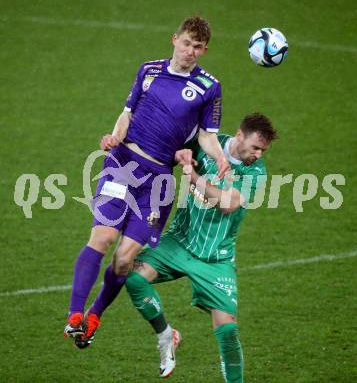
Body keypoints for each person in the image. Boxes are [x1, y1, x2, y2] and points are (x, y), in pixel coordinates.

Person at [75, 113, 277, 382]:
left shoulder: (255, 171)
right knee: (131, 276)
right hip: (178, 241)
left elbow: (228, 204)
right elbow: (159, 150)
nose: (258, 154)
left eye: (263, 150)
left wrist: (192, 176)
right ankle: (166, 334)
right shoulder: (207, 145)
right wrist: (117, 141)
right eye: (255, 147)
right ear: (240, 135)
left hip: (216, 258)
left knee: (228, 332)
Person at [64, 16, 230, 343]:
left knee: (125, 259)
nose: (190, 51)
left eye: (197, 47)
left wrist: (220, 157)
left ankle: (95, 316)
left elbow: (208, 136)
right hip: (123, 163)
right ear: (174, 40)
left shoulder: (209, 88)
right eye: (186, 43)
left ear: (204, 50)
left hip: (158, 183)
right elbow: (127, 113)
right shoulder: (149, 70)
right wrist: (114, 137)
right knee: (103, 237)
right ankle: (74, 314)